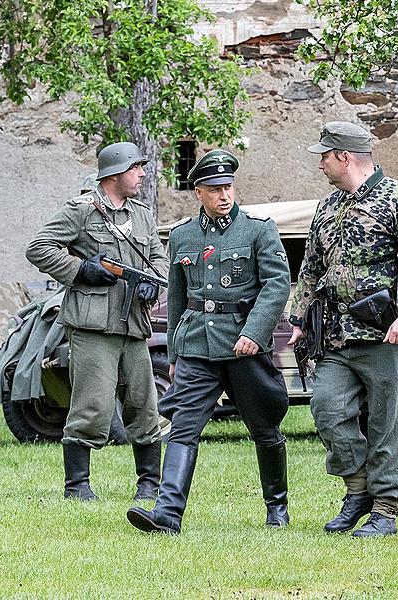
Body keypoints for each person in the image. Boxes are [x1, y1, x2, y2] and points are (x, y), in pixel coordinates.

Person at [126, 149, 291, 534]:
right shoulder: (183, 235)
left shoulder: (257, 229)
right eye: (215, 189)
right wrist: (176, 350)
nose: (224, 195)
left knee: (264, 428)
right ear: (198, 191)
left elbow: (276, 284)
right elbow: (179, 295)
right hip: (198, 346)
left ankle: (277, 508)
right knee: (184, 426)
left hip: (243, 345)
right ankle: (167, 514)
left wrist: (254, 333)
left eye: (229, 187)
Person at [287, 122, 398, 537]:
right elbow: (312, 266)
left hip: (388, 334)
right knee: (328, 409)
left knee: (390, 421)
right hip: (336, 334)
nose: (320, 163)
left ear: (345, 157)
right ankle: (357, 492)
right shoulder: (328, 206)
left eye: (325, 156)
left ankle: (385, 509)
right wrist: (300, 318)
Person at [25, 142, 167, 503]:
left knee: (143, 403)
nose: (142, 174)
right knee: (92, 404)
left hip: (134, 322)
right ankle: (78, 486)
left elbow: (158, 258)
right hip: (92, 324)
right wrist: (81, 271)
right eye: (136, 168)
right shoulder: (81, 212)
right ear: (115, 173)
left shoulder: (143, 214)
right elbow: (39, 247)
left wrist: (152, 284)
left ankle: (149, 483)